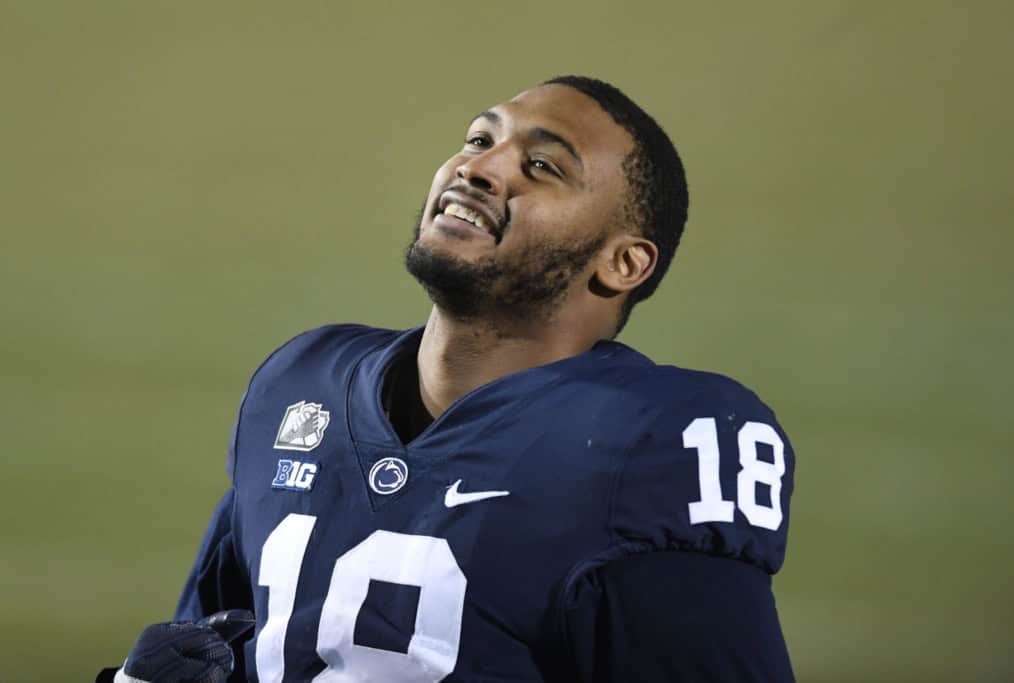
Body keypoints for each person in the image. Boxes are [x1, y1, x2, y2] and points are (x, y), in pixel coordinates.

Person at [99, 75, 796, 682]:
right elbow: (214, 643)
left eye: (543, 166)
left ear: (622, 264)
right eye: (478, 139)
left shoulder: (649, 443)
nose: (479, 168)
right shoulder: (299, 383)